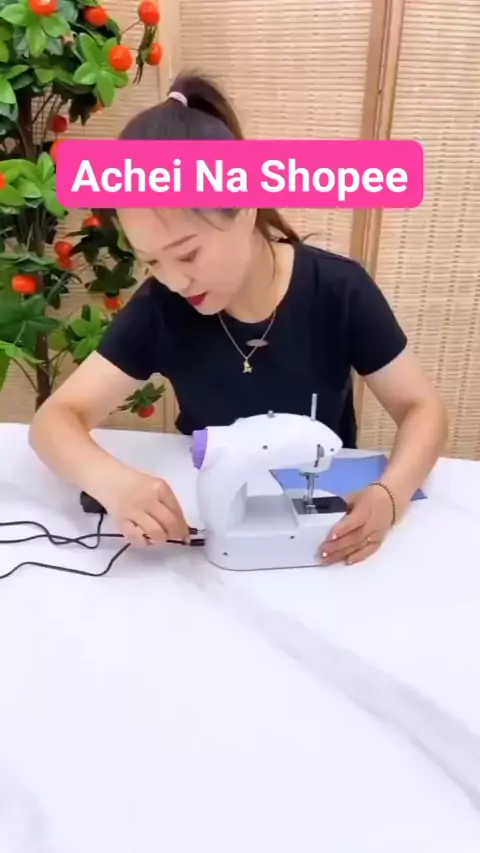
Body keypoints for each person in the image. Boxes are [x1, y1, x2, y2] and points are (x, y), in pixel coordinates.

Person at [29, 73, 447, 567]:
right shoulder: (162, 307)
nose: (175, 281)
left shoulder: (339, 290)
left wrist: (391, 494)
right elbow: (53, 421)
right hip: (212, 532)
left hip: (326, 540)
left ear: (246, 208)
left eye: (188, 254)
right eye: (152, 262)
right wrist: (112, 483)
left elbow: (422, 408)